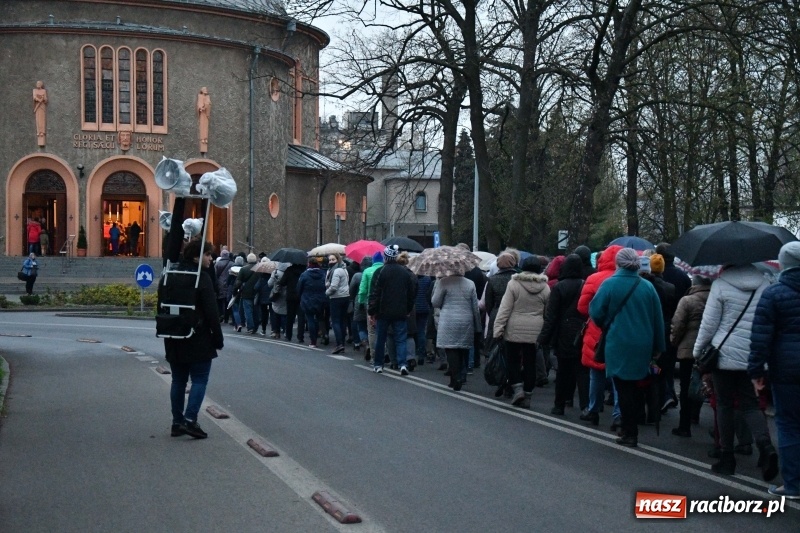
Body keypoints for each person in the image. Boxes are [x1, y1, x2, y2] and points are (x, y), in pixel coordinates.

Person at [694, 262, 777, 478]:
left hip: (725, 355)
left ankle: (727, 457)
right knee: (751, 405)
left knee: (724, 405)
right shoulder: (766, 285)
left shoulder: (721, 285)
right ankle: (766, 447)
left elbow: (709, 324)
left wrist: (698, 351)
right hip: (753, 354)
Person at [589, 248, 666, 448]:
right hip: (644, 343)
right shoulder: (647, 287)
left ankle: (629, 431)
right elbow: (658, 320)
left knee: (623, 387)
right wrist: (659, 346)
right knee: (637, 385)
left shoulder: (610, 284)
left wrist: (606, 323)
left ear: (618, 263)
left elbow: (595, 311)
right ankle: (633, 425)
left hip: (618, 341)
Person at [159, 239, 224, 439]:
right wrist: (218, 337)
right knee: (199, 379)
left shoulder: (169, 273)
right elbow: (212, 311)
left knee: (178, 380)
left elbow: (161, 304)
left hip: (173, 334)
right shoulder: (200, 278)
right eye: (207, 254)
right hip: (198, 336)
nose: (211, 259)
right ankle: (190, 420)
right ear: (196, 256)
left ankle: (177, 422)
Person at [750, 241, 800, 498]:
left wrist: (756, 371)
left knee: (789, 425)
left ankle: (793, 484)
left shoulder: (774, 293)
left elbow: (761, 337)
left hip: (787, 370)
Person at [493, 256, 550, 407]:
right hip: (535, 329)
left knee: (513, 361)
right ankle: (528, 395)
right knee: (531, 362)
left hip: (514, 328)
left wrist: (498, 328)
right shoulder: (545, 287)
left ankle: (517, 388)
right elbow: (547, 311)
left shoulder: (514, 284)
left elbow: (505, 309)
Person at [577, 245, 623, 428]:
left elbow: (582, 307)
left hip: (597, 331)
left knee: (596, 373)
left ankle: (593, 409)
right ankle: (619, 413)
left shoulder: (594, 279)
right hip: (620, 330)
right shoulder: (633, 280)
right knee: (619, 377)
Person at [539, 254, 588, 415]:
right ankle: (585, 406)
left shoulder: (559, 287)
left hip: (563, 332)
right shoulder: (584, 284)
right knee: (581, 371)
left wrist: (544, 338)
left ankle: (559, 404)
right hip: (581, 331)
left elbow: (551, 316)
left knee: (563, 371)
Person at [670, 275, 711, 438]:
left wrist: (674, 342)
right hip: (709, 351)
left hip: (688, 349)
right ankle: (696, 414)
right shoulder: (715, 298)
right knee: (703, 383)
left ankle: (684, 424)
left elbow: (678, 324)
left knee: (687, 386)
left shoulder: (687, 300)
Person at [368, 245, 416, 375]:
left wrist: (371, 312)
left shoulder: (380, 272)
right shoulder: (404, 273)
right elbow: (411, 294)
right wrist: (408, 309)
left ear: (385, 257)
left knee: (381, 339)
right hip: (400, 311)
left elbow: (374, 293)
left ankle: (378, 364)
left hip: (383, 311)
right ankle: (402, 364)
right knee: (401, 338)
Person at [432, 269, 481, 390]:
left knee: (451, 348)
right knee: (463, 348)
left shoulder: (443, 282)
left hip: (449, 319)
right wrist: (478, 325)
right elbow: (475, 305)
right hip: (466, 319)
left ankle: (456, 377)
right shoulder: (470, 283)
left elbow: (435, 302)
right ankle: (461, 376)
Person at [358, 251, 384, 359]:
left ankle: (374, 354)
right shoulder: (385, 270)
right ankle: (385, 352)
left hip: (371, 302)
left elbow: (363, 289)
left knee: (372, 331)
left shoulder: (367, 271)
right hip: (384, 303)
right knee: (383, 329)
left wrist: (361, 302)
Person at [297, 258, 327, 348]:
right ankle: (318, 336)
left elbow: (299, 288)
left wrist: (300, 297)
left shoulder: (304, 275)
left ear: (309, 264)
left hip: (307, 299)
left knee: (310, 319)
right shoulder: (323, 274)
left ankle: (313, 341)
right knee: (318, 319)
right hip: (320, 299)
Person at [326, 253, 350, 354]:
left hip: (336, 298)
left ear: (338, 260)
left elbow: (334, 286)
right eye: (329, 260)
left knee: (335, 321)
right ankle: (342, 344)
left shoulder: (335, 271)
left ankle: (339, 344)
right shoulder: (344, 269)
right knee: (342, 321)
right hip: (345, 296)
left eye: (333, 259)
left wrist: (327, 292)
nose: (331, 261)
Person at [234, 253, 260, 333]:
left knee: (248, 310)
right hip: (256, 293)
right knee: (256, 311)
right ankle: (255, 327)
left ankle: (250, 327)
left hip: (246, 292)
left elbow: (238, 282)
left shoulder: (243, 269)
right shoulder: (259, 269)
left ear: (247, 260)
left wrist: (235, 291)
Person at [33, 80, 47, 146]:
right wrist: (39, 100)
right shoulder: (34, 90)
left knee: (42, 119)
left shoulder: (44, 91)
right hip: (37, 107)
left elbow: (46, 100)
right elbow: (34, 97)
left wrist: (43, 99)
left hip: (42, 107)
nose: (37, 84)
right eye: (37, 83)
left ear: (41, 84)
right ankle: (38, 132)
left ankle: (42, 132)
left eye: (39, 83)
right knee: (38, 119)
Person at [197, 86, 211, 152]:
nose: (206, 90)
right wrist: (201, 108)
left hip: (206, 114)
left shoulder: (207, 97)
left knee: (206, 126)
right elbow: (199, 104)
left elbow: (209, 104)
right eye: (204, 89)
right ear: (202, 90)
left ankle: (205, 138)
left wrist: (207, 105)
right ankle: (202, 138)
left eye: (206, 89)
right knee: (202, 126)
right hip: (202, 114)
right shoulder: (200, 96)